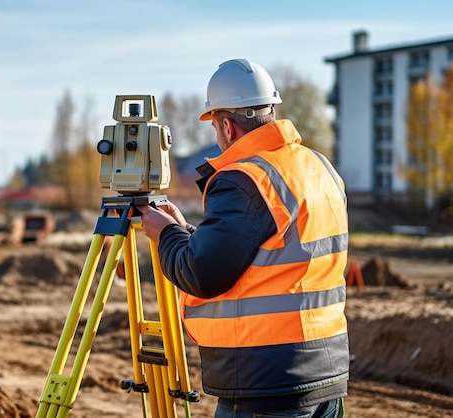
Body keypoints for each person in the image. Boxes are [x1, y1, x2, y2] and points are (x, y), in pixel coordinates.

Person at [137, 59, 349, 418]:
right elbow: (264, 254)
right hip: (324, 375)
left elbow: (201, 273)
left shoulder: (245, 179)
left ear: (227, 126)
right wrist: (186, 231)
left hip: (266, 383)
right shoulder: (318, 166)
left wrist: (166, 235)